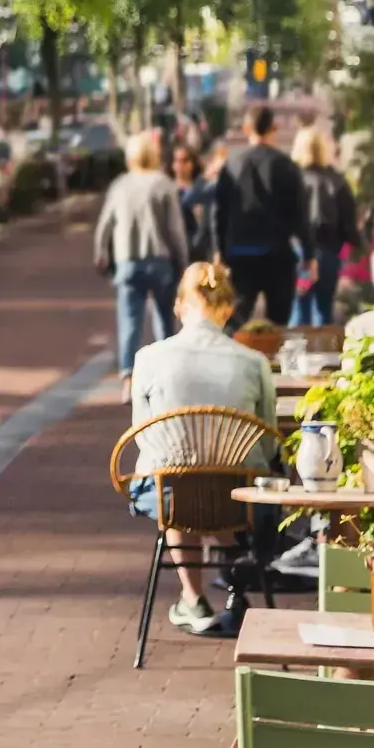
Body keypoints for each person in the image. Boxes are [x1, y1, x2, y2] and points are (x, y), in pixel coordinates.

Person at [126, 259, 280, 636]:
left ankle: (193, 599)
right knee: (228, 485)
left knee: (172, 479)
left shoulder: (148, 358)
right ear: (228, 309)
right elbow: (269, 437)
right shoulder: (254, 362)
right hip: (238, 496)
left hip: (171, 494)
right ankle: (236, 565)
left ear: (179, 307)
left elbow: (142, 434)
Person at [93, 130, 190, 376]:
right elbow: (175, 229)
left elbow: (105, 225)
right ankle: (167, 374)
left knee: (129, 320)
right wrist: (184, 260)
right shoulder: (163, 184)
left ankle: (127, 374)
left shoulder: (120, 185)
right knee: (165, 320)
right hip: (161, 261)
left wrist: (101, 252)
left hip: (128, 261)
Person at [211, 105, 306, 329]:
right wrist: (308, 252)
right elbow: (299, 212)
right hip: (278, 255)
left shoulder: (232, 164)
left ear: (246, 128)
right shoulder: (285, 165)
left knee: (234, 321)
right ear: (274, 127)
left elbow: (219, 211)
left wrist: (219, 249)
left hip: (239, 254)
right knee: (279, 324)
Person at [292, 127, 358, 328]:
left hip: (299, 253)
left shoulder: (292, 180)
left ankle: (296, 355)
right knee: (324, 310)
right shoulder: (337, 180)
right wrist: (354, 246)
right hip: (329, 252)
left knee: (299, 308)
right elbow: (349, 220)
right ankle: (323, 356)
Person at [171, 142, 218, 264]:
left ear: (192, 163)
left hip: (204, 254)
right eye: (176, 160)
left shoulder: (204, 189)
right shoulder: (170, 191)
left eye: (184, 160)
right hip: (181, 254)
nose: (179, 165)